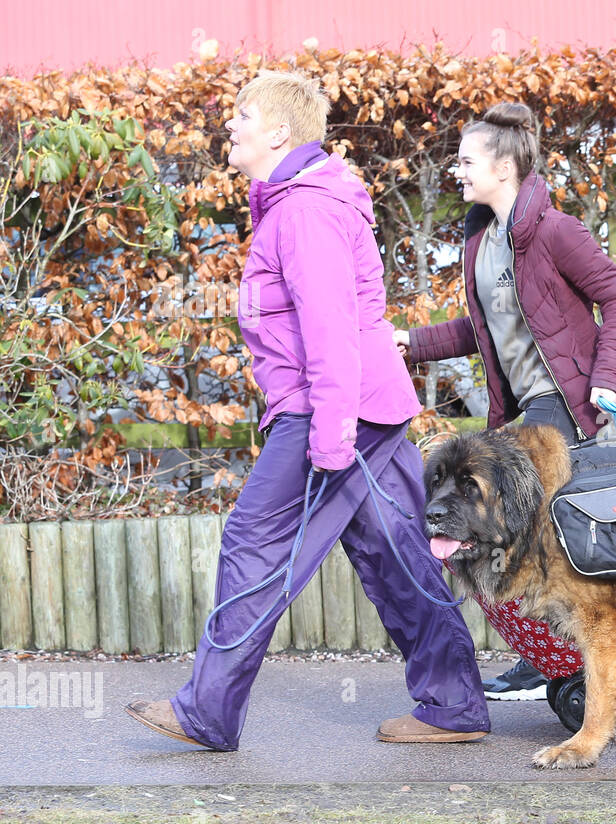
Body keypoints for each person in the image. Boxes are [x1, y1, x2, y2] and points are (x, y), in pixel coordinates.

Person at [125, 71, 490, 749]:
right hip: (368, 410)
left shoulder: (304, 210)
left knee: (254, 546)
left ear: (279, 132)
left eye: (242, 113)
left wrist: (328, 437)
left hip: (333, 414)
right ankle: (453, 704)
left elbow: (328, 330)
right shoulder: (302, 200)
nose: (230, 124)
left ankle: (207, 712)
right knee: (395, 551)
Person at [394, 102, 616, 701]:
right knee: (526, 541)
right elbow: (480, 331)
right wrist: (409, 342)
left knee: (525, 540)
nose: (457, 170)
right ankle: (559, 657)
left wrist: (607, 377)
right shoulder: (482, 243)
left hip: (561, 404)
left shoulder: (556, 232)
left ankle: (585, 655)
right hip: (520, 415)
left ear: (504, 167)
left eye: (466, 160)